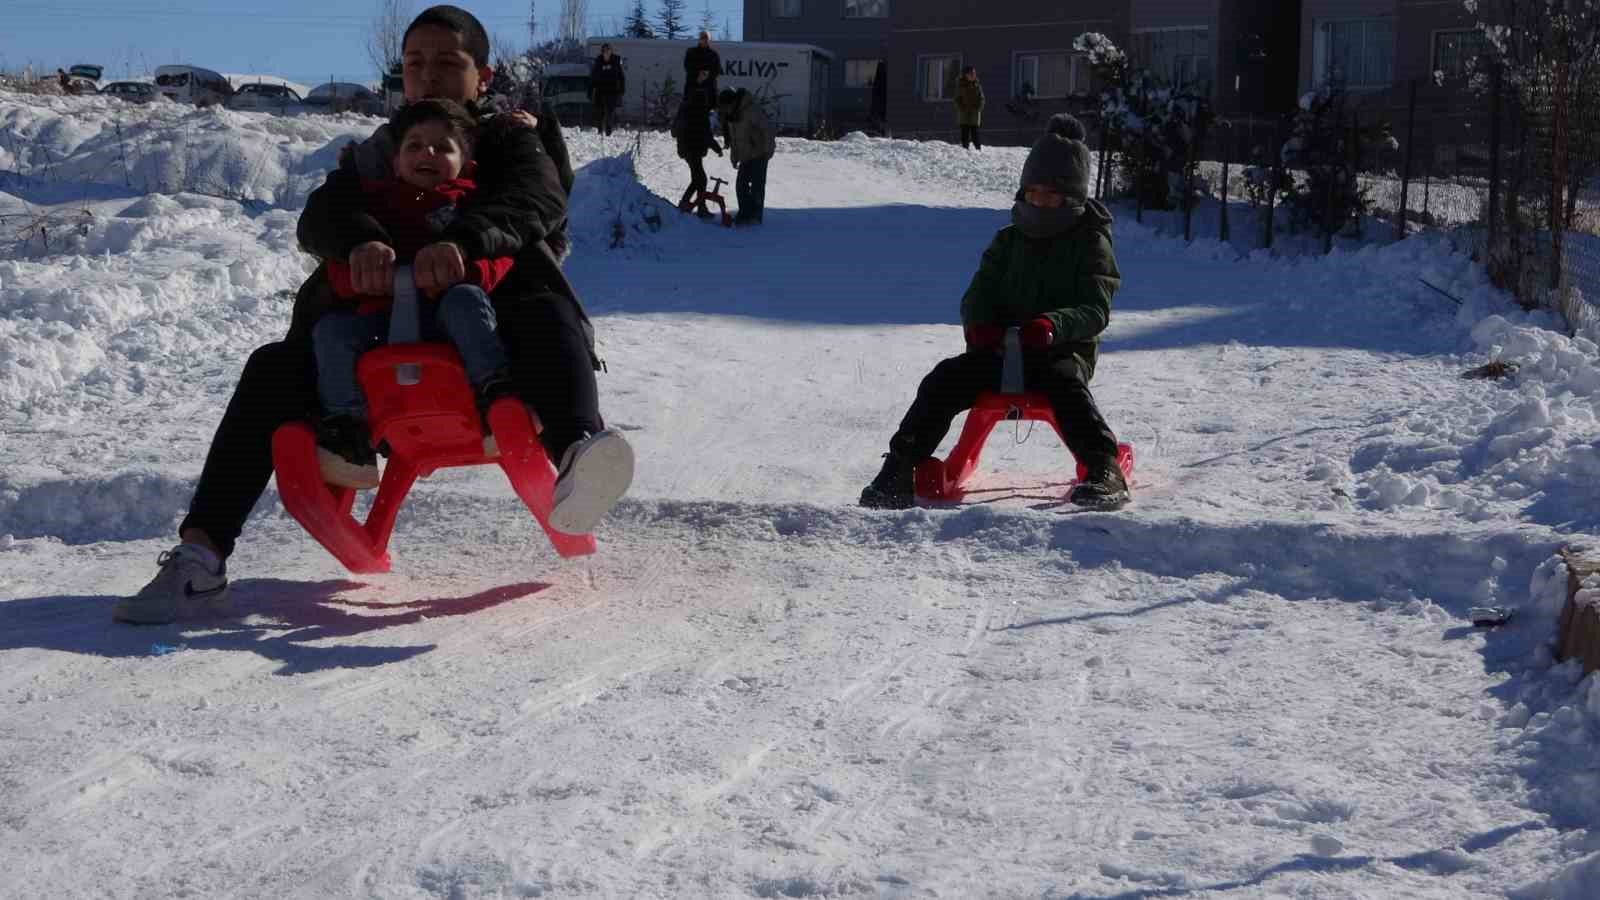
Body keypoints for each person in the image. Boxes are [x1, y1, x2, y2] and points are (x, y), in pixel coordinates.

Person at [115, 4, 634, 625]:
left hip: (494, 334)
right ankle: (201, 557)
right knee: (272, 369)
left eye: (449, 62)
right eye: (416, 63)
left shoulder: (511, 138)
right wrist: (360, 238)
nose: (430, 76)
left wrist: (465, 243)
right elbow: (322, 216)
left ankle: (578, 452)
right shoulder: (378, 153)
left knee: (547, 310)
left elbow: (538, 199)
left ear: (483, 76)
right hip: (374, 343)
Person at [859, 114, 1130, 511]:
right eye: (1032, 192)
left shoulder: (1089, 243)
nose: (1038, 202)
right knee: (943, 379)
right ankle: (900, 466)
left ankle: (1103, 467)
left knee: (1066, 387)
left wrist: (1052, 326)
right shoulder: (1008, 240)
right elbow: (978, 293)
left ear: (1070, 197)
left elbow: (1095, 307)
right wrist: (980, 326)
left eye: (1049, 195)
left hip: (1059, 350)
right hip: (1001, 350)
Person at [312, 98, 517, 488]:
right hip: (382, 325)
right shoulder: (376, 203)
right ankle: (347, 430)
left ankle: (496, 397)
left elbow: (499, 254)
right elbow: (339, 264)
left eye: (443, 147)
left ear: (465, 162)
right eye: (414, 145)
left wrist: (467, 268)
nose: (428, 153)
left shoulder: (472, 203)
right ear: (396, 161)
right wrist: (361, 273)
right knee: (332, 333)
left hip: (446, 327)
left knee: (466, 302)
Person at [716, 87, 775, 226]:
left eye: (726, 107)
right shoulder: (732, 116)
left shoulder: (751, 110)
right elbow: (735, 139)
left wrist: (768, 150)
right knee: (740, 185)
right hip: (745, 155)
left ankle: (755, 216)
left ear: (733, 102)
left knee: (757, 187)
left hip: (759, 152)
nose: (725, 111)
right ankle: (745, 213)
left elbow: (768, 129)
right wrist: (734, 156)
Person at [672, 91, 722, 218]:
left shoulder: (684, 110)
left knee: (698, 178)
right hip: (693, 150)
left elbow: (674, 131)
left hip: (686, 149)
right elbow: (706, 135)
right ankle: (699, 207)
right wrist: (717, 149)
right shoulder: (699, 113)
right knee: (700, 179)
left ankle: (690, 204)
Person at [589, 43, 625, 137]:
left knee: (610, 112)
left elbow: (621, 77)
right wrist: (590, 90)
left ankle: (608, 131)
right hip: (600, 90)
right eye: (604, 51)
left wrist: (621, 90)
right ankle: (600, 130)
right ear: (602, 52)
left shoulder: (616, 62)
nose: (606, 53)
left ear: (611, 52)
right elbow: (593, 77)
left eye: (608, 51)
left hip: (612, 91)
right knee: (600, 112)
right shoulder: (599, 62)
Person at [683, 31, 720, 108]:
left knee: (710, 113)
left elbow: (717, 70)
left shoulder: (713, 54)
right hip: (693, 88)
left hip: (709, 91)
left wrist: (706, 75)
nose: (705, 40)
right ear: (699, 39)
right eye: (703, 37)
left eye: (707, 38)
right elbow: (688, 66)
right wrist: (698, 75)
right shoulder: (691, 52)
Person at [954, 66, 984, 151]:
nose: (973, 75)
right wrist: (961, 107)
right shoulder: (960, 85)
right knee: (965, 132)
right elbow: (957, 99)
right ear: (965, 75)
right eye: (971, 74)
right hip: (964, 113)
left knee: (975, 133)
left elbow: (981, 98)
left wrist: (979, 107)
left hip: (974, 113)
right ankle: (965, 150)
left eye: (974, 73)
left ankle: (978, 149)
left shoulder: (977, 85)